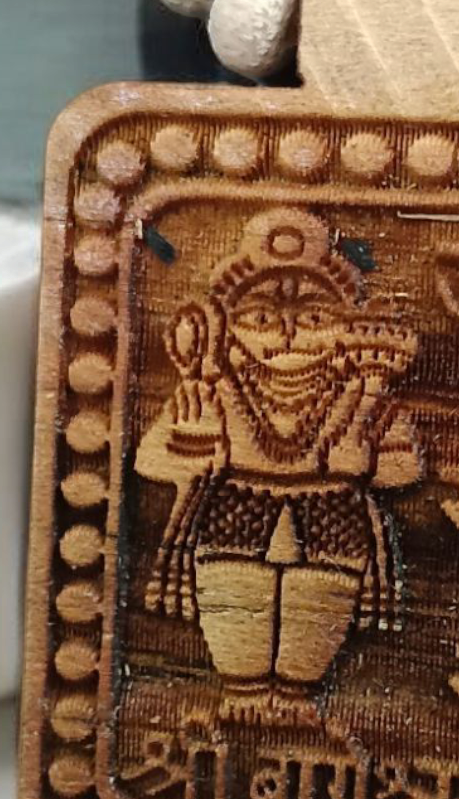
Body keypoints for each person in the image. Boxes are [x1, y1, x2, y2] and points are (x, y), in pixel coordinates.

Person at [134, 206, 421, 723]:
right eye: (262, 319)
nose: (287, 336)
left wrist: (361, 457)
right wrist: (198, 449)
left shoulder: (363, 395)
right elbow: (150, 459)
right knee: (238, 604)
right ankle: (242, 700)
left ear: (343, 328)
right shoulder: (208, 390)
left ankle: (295, 705)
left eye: (313, 319)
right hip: (235, 513)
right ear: (230, 328)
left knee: (315, 610)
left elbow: (404, 472)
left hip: (332, 522)